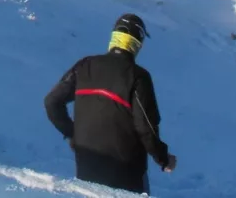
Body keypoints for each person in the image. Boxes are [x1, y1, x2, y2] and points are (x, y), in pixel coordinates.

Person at [45, 14, 176, 194]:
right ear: (138, 43)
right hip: (126, 171)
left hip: (87, 164)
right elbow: (146, 127)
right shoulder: (138, 77)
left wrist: (72, 134)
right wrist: (163, 159)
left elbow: (52, 102)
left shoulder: (84, 66)